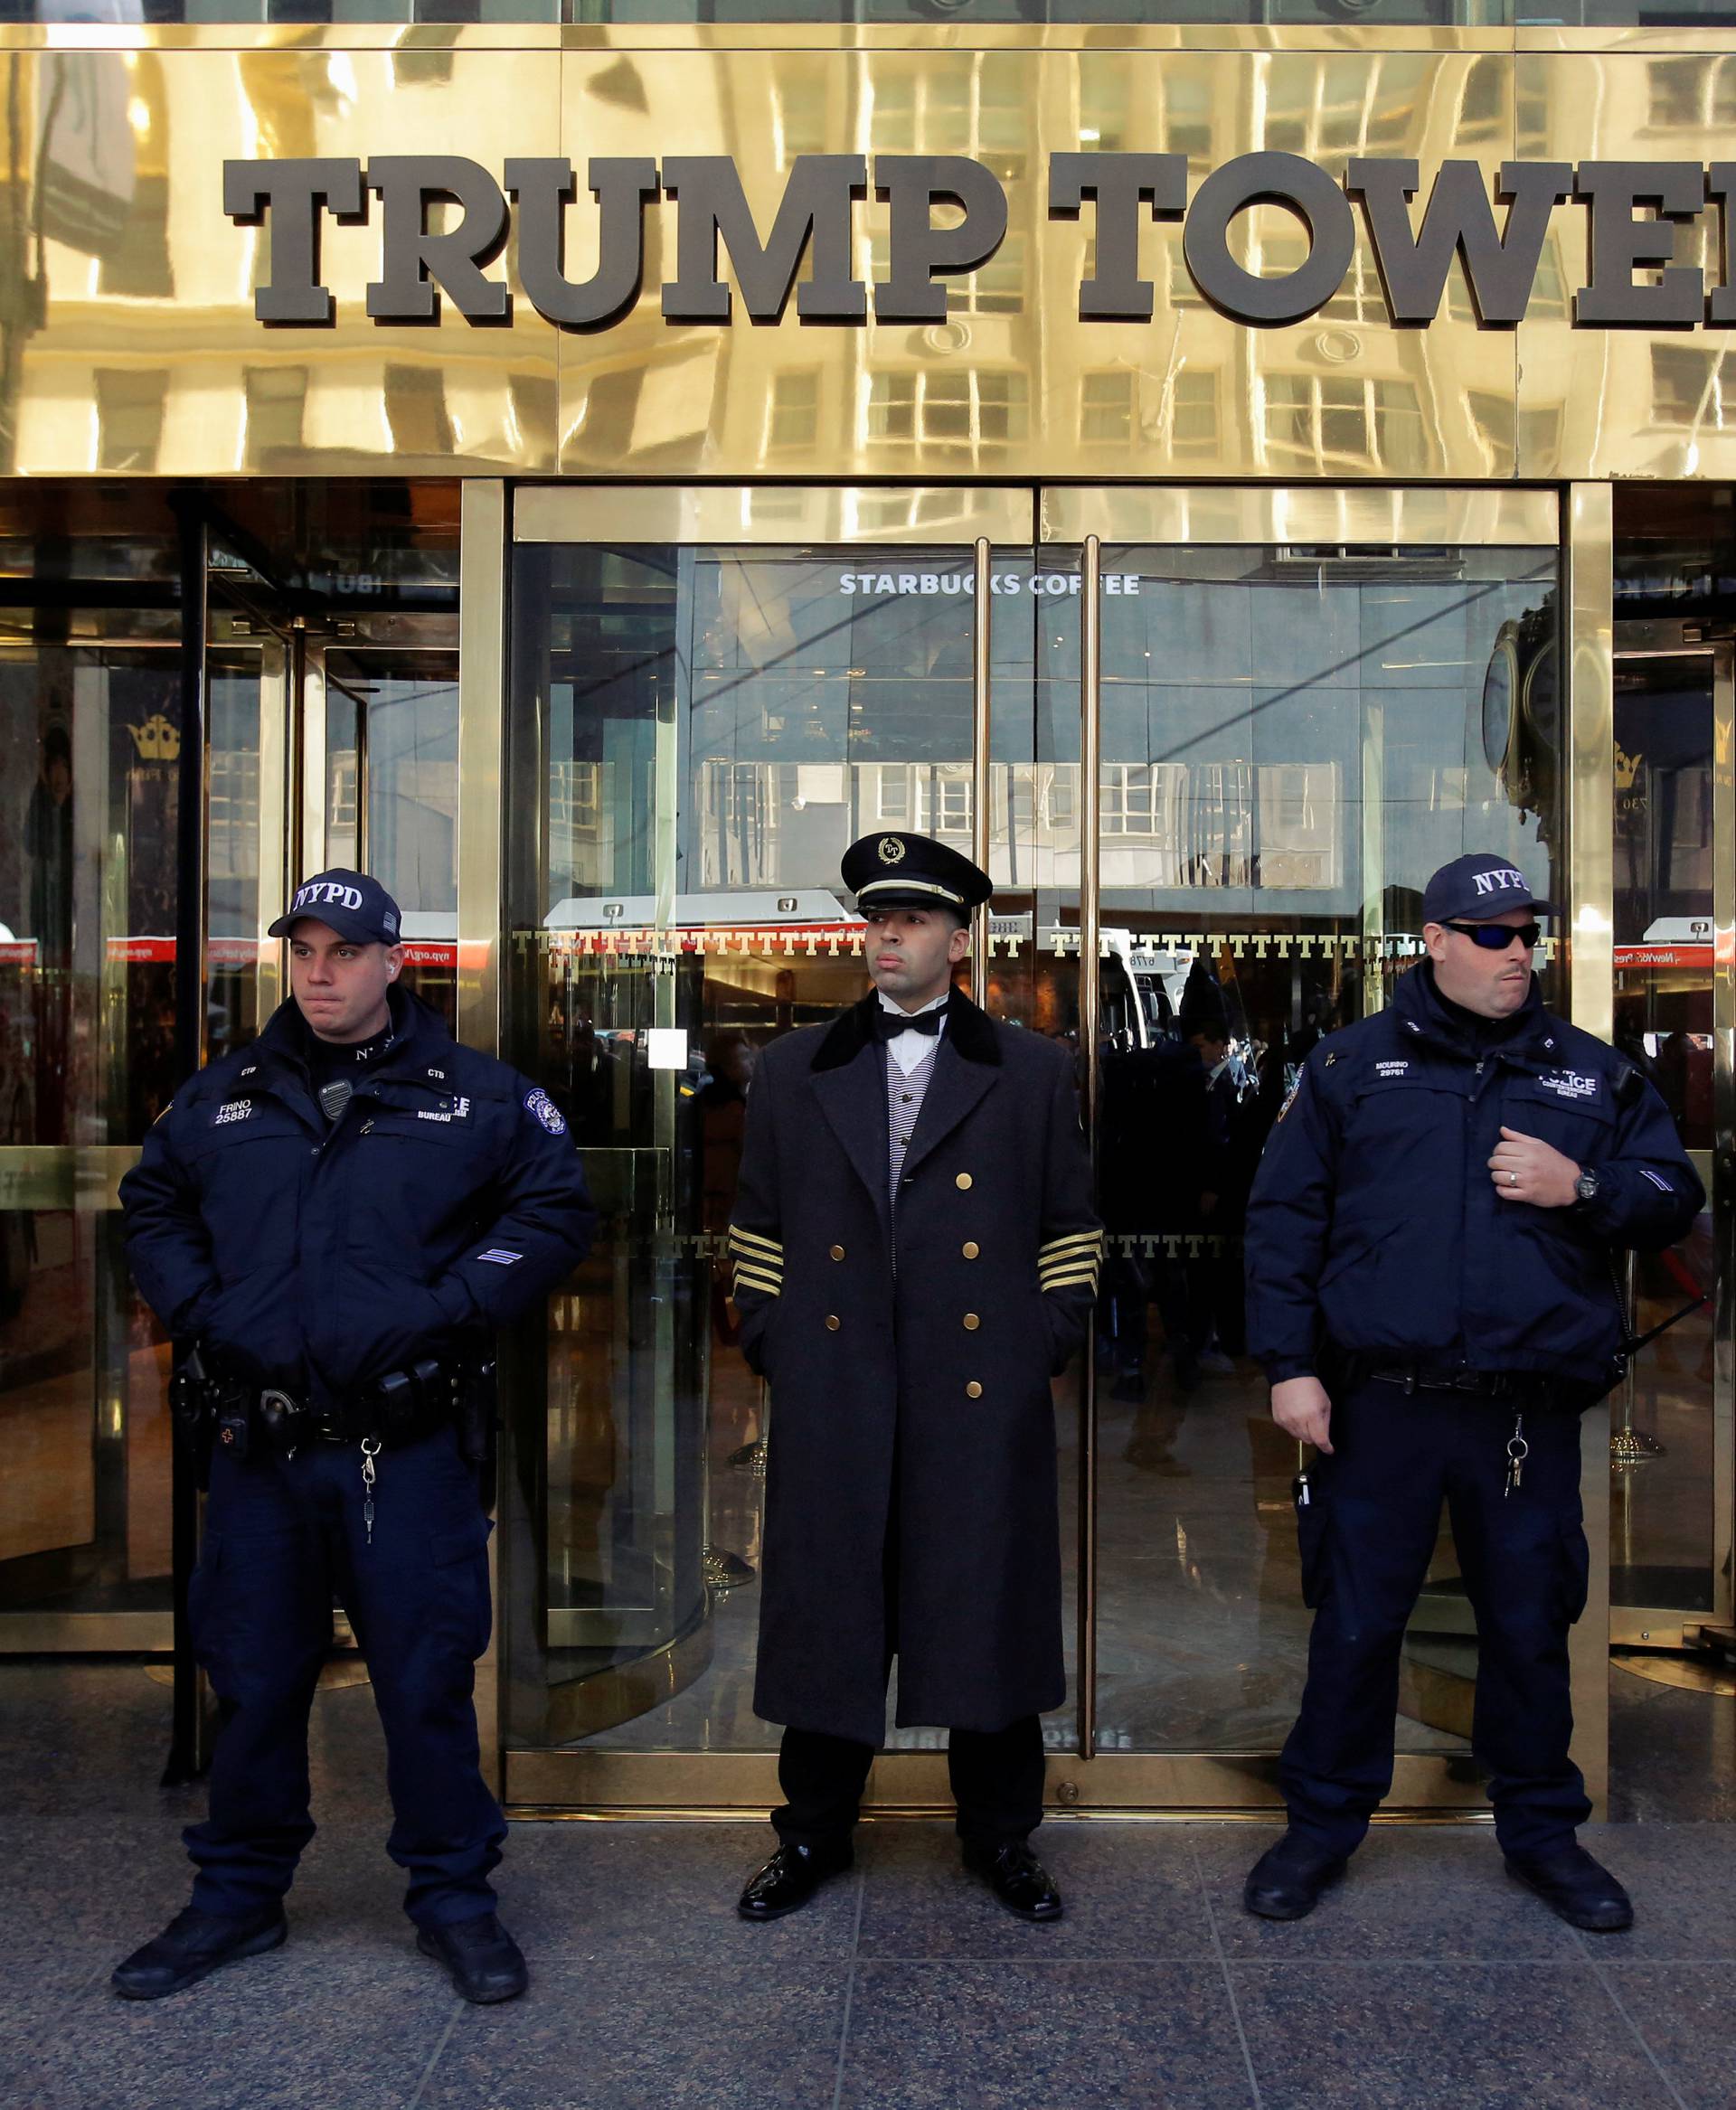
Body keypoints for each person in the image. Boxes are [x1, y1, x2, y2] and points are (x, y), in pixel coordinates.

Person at [114, 870, 596, 2002]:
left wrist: (447, 1307)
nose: (320, 973)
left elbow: (553, 1210)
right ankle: (235, 1898)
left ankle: (455, 1902)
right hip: (261, 1453)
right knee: (255, 1678)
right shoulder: (223, 1094)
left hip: (408, 1449)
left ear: (394, 962)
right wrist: (205, 1312)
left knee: (423, 1682)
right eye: (305, 951)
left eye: (345, 951)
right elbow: (155, 1206)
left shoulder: (473, 1097)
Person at [1242, 852, 1703, 1930]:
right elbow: (1283, 1221)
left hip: (1521, 1412)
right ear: (1434, 943)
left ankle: (1544, 1836)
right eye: (1492, 935)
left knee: (1530, 1627)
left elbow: (1670, 1195)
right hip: (1383, 1404)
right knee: (1357, 1625)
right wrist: (1291, 1365)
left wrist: (1577, 1184)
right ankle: (1319, 1832)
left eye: (1528, 934)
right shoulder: (1351, 1067)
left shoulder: (1588, 1072)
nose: (1517, 953)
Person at [729, 832, 1100, 1924]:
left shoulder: (1033, 1070)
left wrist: (1036, 1346)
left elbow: (1068, 1236)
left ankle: (1001, 1839)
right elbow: (757, 1232)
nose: (888, 934)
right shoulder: (794, 1069)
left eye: (915, 919)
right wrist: (779, 1344)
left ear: (957, 935)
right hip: (837, 1385)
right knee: (832, 1613)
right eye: (876, 917)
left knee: (983, 1612)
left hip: (976, 1392)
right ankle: (811, 1837)